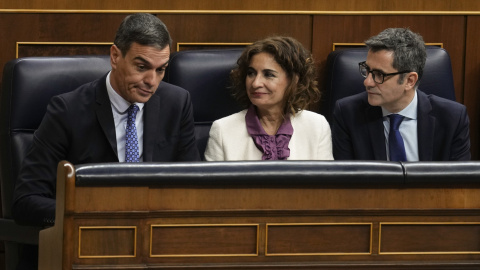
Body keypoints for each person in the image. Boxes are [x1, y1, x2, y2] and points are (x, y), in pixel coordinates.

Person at [12, 13, 200, 269]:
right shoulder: (67, 110)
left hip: (156, 248)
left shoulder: (177, 103)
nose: (152, 81)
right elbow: (26, 200)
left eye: (161, 70)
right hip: (88, 246)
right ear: (115, 56)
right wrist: (96, 217)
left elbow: (191, 189)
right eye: (141, 67)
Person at [332, 28, 470, 161]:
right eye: (367, 70)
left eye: (379, 75)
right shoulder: (348, 114)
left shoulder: (452, 118)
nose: (367, 82)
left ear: (409, 81)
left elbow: (459, 181)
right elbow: (347, 181)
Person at [204, 36, 333, 161]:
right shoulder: (222, 130)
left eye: (269, 75)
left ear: (293, 80)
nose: (255, 83)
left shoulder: (317, 126)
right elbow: (212, 183)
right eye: (251, 73)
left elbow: (326, 182)